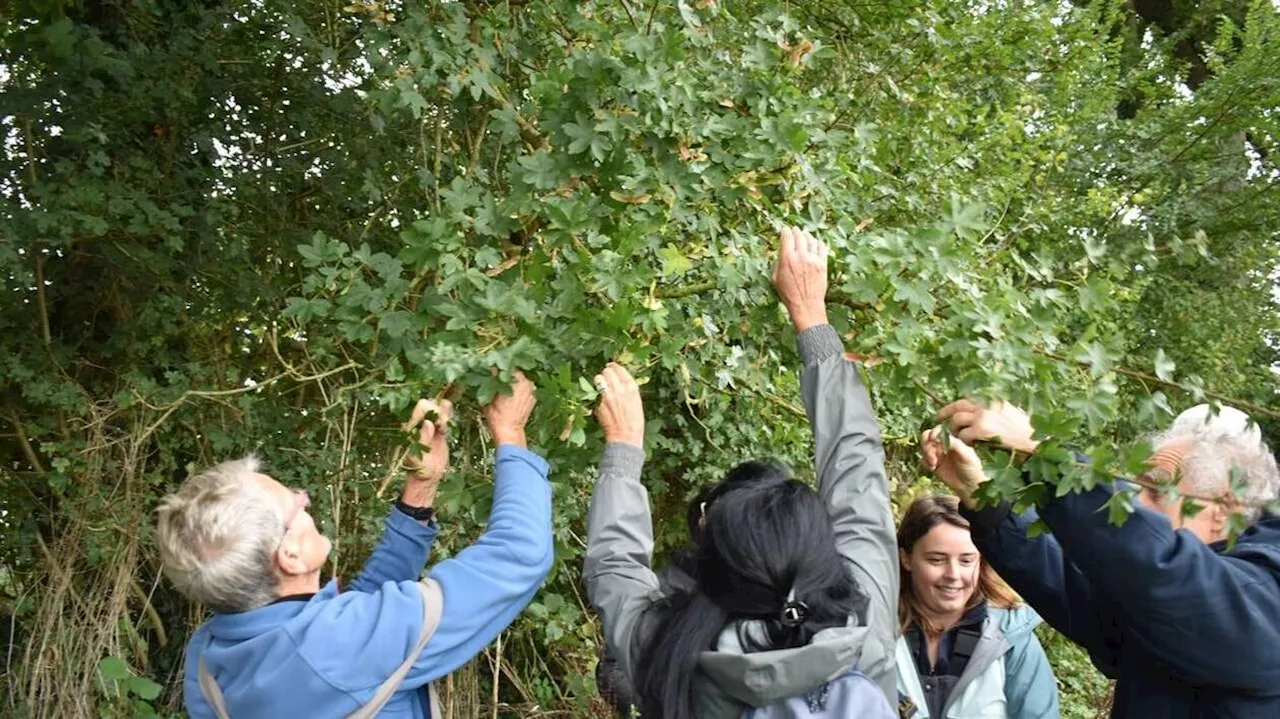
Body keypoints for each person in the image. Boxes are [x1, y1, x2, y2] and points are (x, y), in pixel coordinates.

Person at [583, 227, 898, 719]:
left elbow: (613, 568)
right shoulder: (862, 625)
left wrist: (623, 448)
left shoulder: (671, 651)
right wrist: (812, 317)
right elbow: (857, 476)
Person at [155, 372, 553, 718]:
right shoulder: (337, 650)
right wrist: (511, 434)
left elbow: (355, 620)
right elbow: (518, 555)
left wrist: (422, 485)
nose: (304, 497)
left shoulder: (209, 657)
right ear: (289, 557)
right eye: (295, 504)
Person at [920, 398, 1280, 718]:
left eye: (1154, 492)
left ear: (1224, 509)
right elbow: (1065, 581)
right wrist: (981, 498)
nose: (1135, 504)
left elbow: (1166, 572)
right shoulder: (1160, 606)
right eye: (1134, 488)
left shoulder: (1264, 602)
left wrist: (1046, 452)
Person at [895, 494, 1058, 718]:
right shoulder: (876, 633)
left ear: (980, 560)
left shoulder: (1011, 641)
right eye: (937, 559)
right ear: (906, 559)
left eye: (966, 560)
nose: (954, 575)